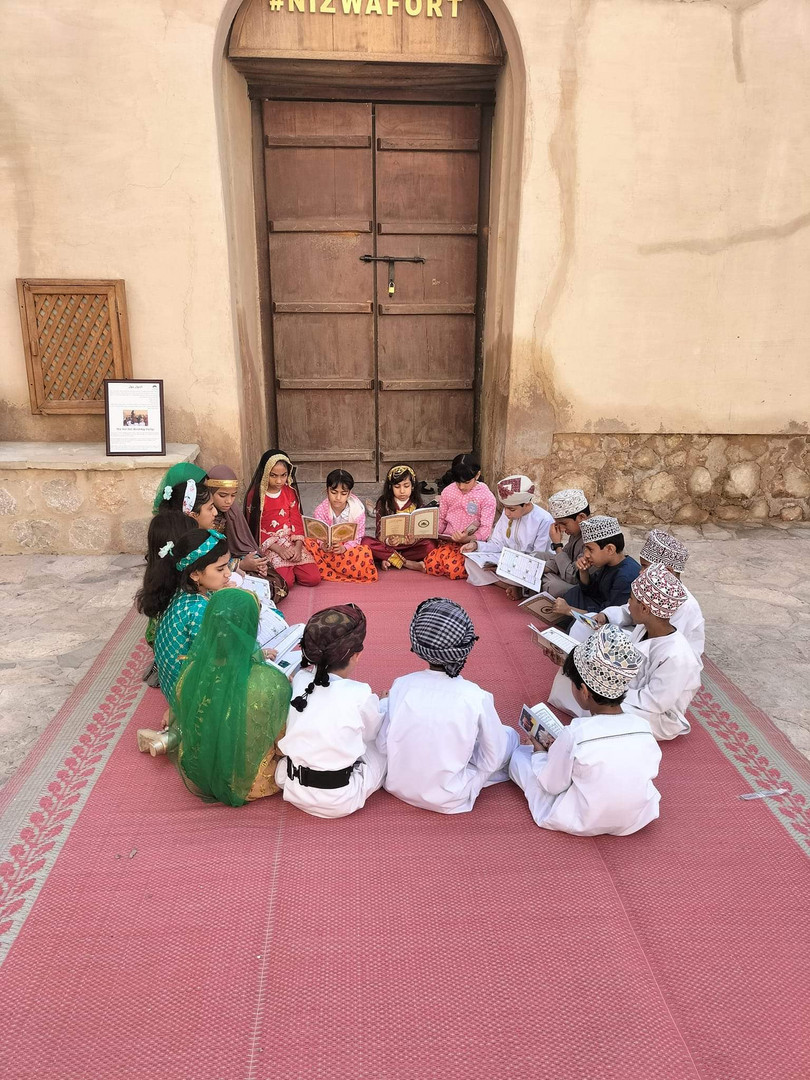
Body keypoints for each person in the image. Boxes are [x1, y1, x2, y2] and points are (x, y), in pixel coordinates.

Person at [139, 590, 292, 806]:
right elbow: (282, 743)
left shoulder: (191, 671)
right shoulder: (271, 682)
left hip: (199, 773)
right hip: (252, 783)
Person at [509, 625, 661, 836]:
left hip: (584, 818)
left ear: (584, 691)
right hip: (635, 818)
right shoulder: (643, 728)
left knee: (519, 758)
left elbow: (551, 785)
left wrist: (539, 752)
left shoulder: (576, 734)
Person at [380, 598, 519, 814]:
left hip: (397, 785)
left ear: (418, 645)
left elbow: (382, 745)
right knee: (510, 737)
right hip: (451, 797)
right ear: (465, 647)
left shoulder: (402, 684)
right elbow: (492, 759)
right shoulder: (475, 696)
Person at [275, 605, 386, 819]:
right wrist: (381, 704)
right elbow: (372, 735)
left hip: (292, 786)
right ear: (355, 656)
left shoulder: (299, 679)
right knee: (382, 747)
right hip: (339, 799)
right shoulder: (360, 693)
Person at [574, 529, 705, 662]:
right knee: (588, 623)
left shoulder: (686, 606)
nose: (640, 572)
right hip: (641, 640)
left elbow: (664, 645)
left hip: (661, 659)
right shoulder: (649, 587)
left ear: (667, 571)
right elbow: (630, 608)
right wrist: (606, 616)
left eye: (645, 566)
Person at [146, 529, 232, 701]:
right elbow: (218, 659)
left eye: (228, 566)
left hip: (176, 687)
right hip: (191, 698)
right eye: (220, 569)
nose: (228, 573)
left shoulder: (181, 591)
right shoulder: (198, 609)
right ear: (195, 574)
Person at [461, 474, 553, 596]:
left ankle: (519, 588)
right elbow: (497, 544)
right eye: (505, 508)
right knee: (471, 561)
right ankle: (508, 586)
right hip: (504, 561)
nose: (506, 513)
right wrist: (476, 546)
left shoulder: (544, 520)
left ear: (526, 504)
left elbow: (538, 557)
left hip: (527, 567)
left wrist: (508, 565)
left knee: (543, 581)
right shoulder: (507, 514)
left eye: (511, 509)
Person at [243, 450, 320, 590]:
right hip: (270, 544)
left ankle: (292, 567)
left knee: (313, 578)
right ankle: (288, 570)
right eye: (273, 475)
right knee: (286, 583)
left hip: (291, 540)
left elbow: (296, 519)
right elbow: (254, 528)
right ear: (265, 473)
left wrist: (297, 546)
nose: (279, 481)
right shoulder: (256, 496)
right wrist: (279, 549)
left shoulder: (289, 491)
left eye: (283, 475)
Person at [550, 515, 640, 621]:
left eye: (590, 549)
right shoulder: (606, 563)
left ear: (610, 549)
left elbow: (605, 616)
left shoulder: (625, 576)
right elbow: (590, 591)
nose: (586, 554)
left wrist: (569, 610)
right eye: (585, 549)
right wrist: (583, 572)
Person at [421, 454, 496, 580]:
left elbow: (485, 529)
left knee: (454, 569)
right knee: (431, 564)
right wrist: (433, 531)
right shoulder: (448, 492)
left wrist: (468, 538)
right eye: (458, 482)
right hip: (447, 542)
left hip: (471, 545)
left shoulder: (487, 497)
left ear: (477, 475)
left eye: (466, 482)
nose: (462, 487)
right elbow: (442, 519)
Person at [303, 469, 378, 583]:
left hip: (348, 548)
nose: (338, 498)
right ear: (327, 490)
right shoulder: (320, 510)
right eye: (334, 492)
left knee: (365, 550)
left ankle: (330, 569)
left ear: (349, 493)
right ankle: (336, 568)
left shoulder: (357, 510)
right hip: (327, 549)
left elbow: (358, 536)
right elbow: (318, 535)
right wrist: (323, 545)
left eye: (343, 493)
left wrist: (344, 548)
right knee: (307, 542)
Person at [365, 464, 437, 571]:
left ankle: (389, 559)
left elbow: (423, 532)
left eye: (406, 486)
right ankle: (407, 563)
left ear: (413, 486)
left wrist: (413, 540)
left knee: (430, 546)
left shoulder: (417, 503)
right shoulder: (384, 503)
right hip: (389, 546)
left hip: (410, 547)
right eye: (397, 487)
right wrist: (389, 540)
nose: (402, 491)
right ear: (391, 487)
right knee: (365, 543)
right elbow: (379, 532)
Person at [536, 488, 592, 598]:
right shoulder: (576, 533)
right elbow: (564, 556)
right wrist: (541, 568)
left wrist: (557, 545)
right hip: (567, 571)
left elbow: (572, 577)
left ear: (581, 517)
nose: (561, 529)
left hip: (580, 586)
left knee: (552, 585)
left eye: (564, 524)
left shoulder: (591, 539)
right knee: (539, 556)